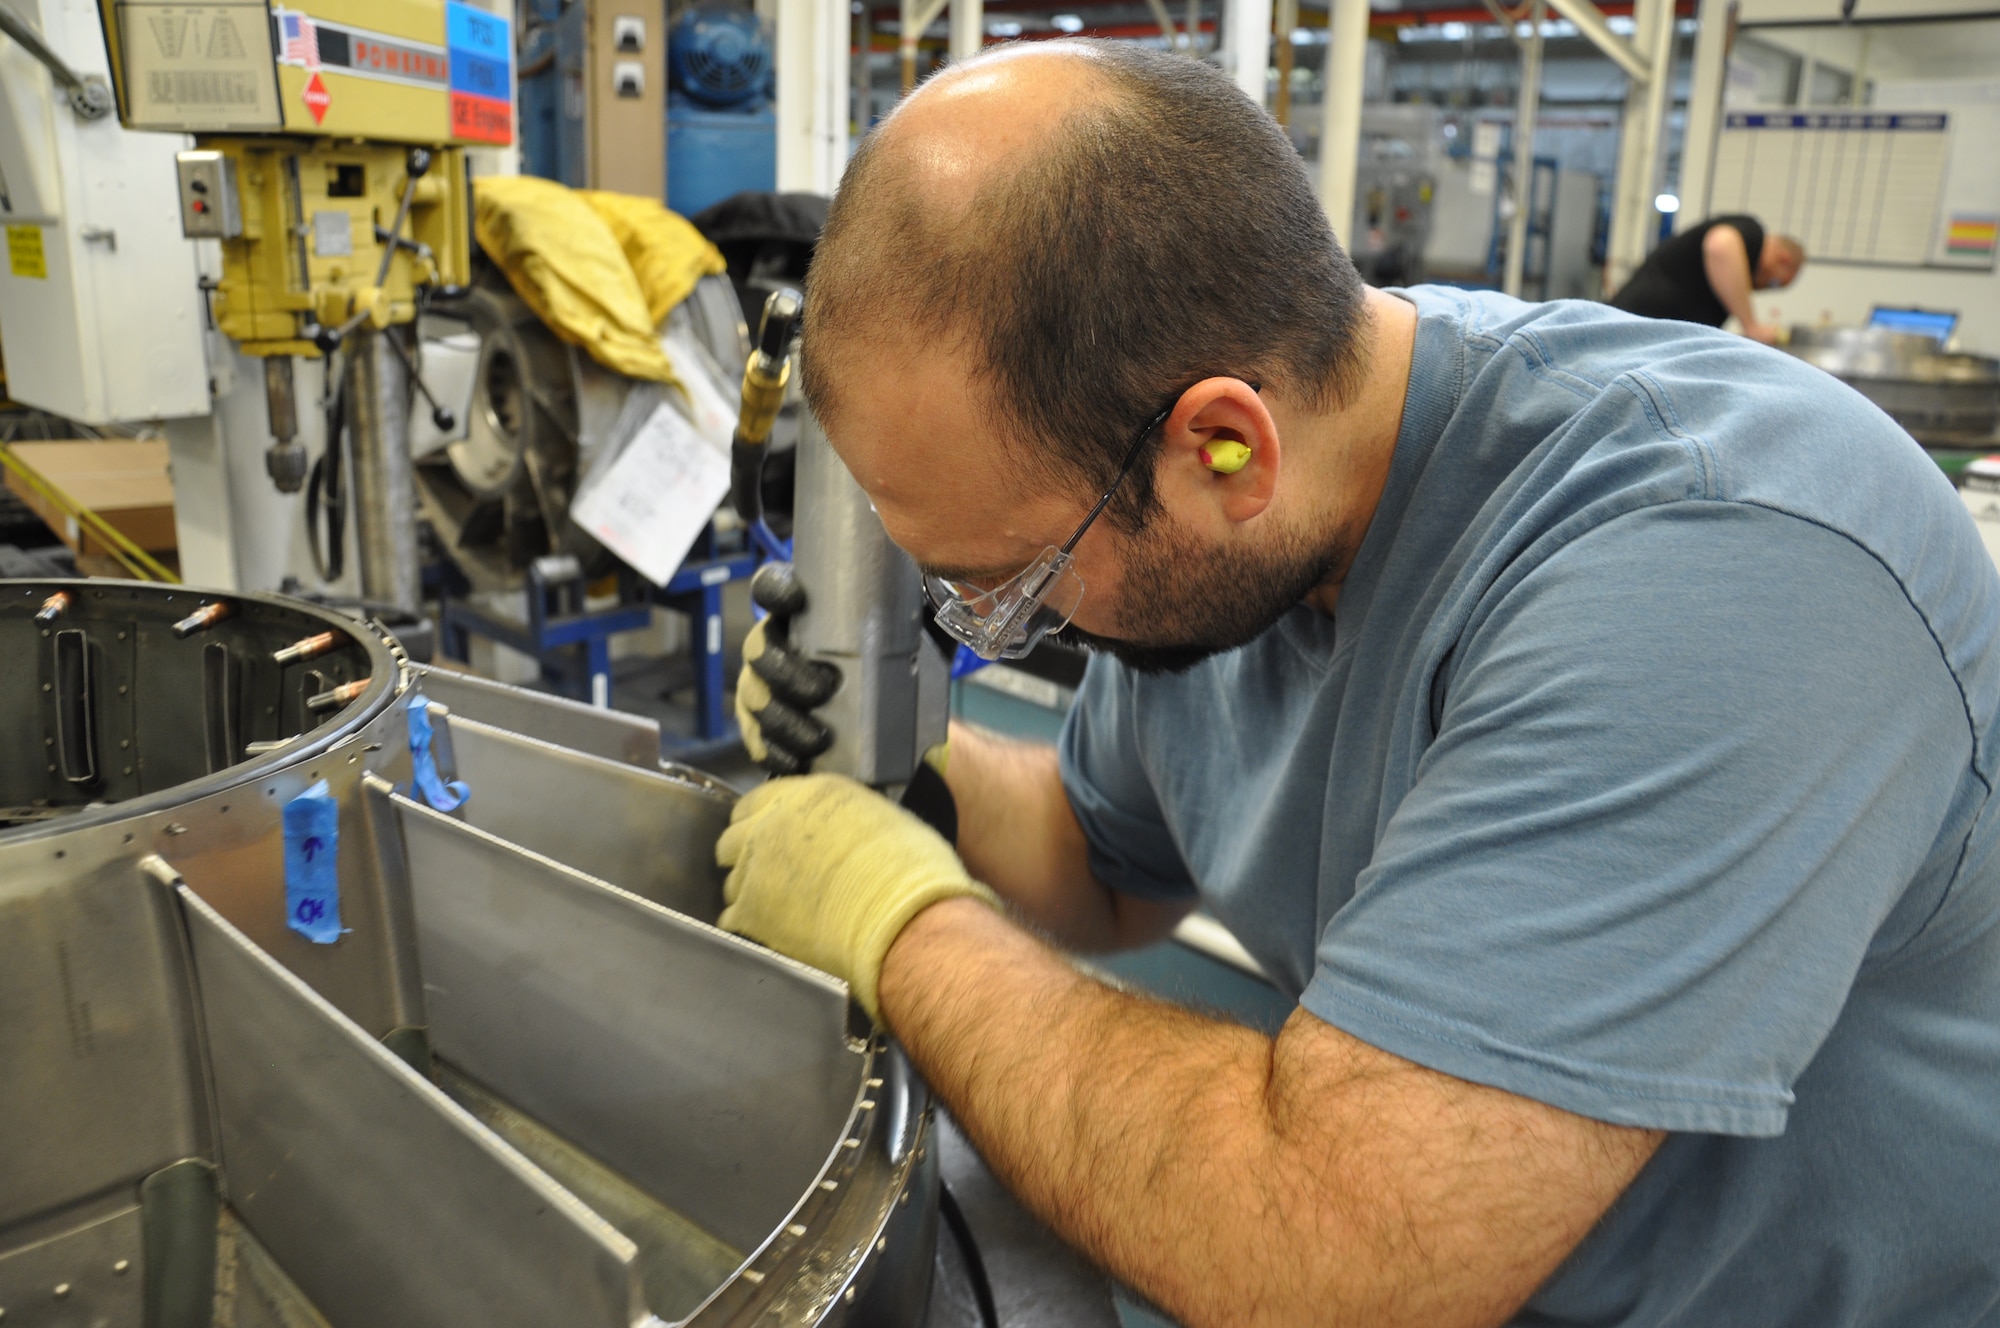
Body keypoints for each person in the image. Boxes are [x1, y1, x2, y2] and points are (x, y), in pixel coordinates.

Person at [720, 40, 2000, 1328]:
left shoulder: (1716, 567)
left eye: (1015, 575)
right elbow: (1106, 864)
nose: (1008, 632)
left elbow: (1333, 1253)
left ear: (1226, 445)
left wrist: (899, 921)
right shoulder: (1230, 520)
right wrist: (913, 777)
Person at [1608, 213, 1804, 343]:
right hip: (1628, 331)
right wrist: (1751, 326)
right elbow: (1720, 244)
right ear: (1784, 260)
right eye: (1774, 284)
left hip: (1640, 335)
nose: (1761, 288)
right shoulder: (1752, 234)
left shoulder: (1734, 268)